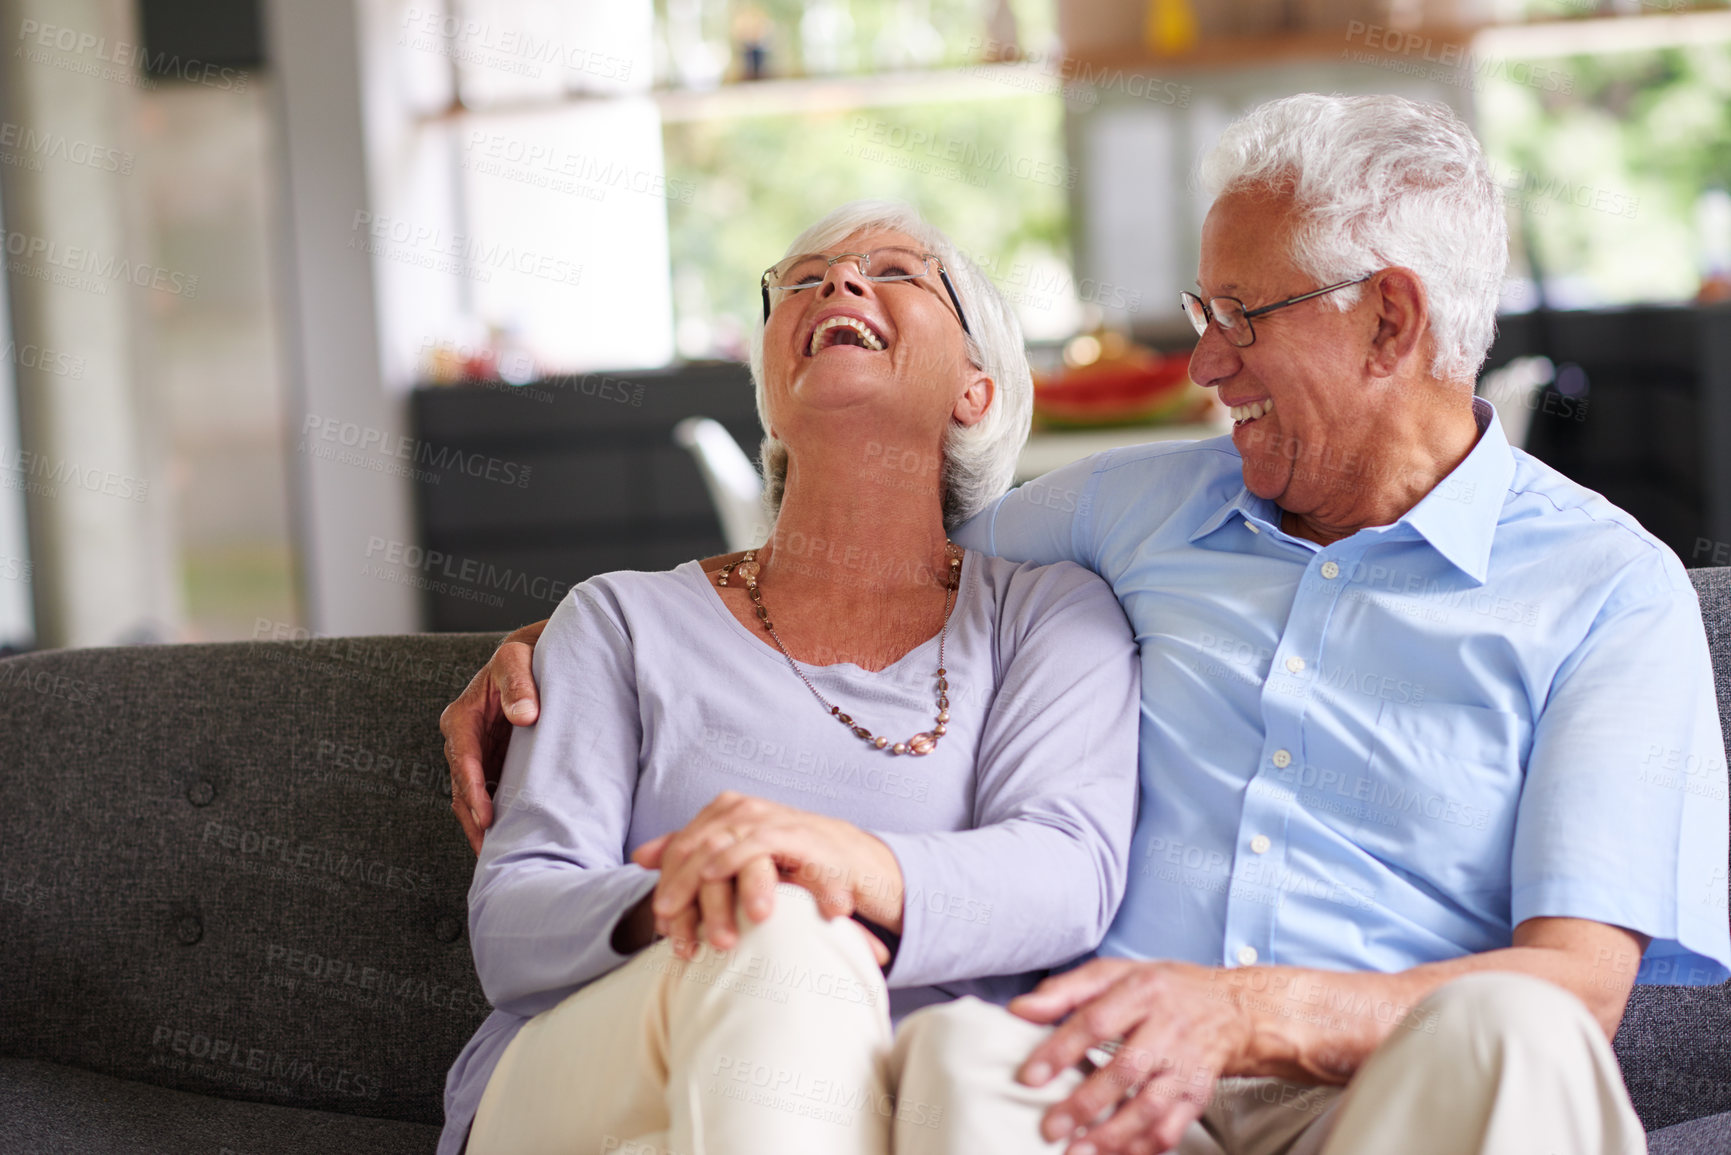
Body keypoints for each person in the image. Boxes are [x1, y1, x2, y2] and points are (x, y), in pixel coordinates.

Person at [444, 95, 1731, 1155]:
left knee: (1517, 1032)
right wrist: (545, 654)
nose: (1205, 366)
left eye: (1244, 317)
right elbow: (872, 556)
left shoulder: (1609, 592)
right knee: (957, 1045)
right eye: (1200, 315)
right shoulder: (1124, 517)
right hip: (1097, 1082)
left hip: (1384, 1088)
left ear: (1389, 319)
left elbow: (1580, 988)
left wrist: (1251, 1014)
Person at [435, 199, 1142, 1155]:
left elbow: (1065, 874)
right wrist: (695, 892)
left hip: (882, 1108)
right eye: (801, 280)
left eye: (893, 271)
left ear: (976, 390)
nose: (837, 284)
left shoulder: (1049, 617)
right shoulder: (618, 620)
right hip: (596, 1075)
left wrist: (841, 862)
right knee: (774, 935)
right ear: (771, 378)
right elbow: (512, 925)